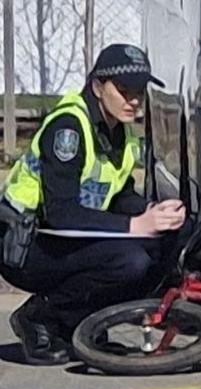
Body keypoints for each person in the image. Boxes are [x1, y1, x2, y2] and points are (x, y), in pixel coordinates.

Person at [0, 44, 186, 365]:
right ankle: (39, 316)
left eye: (140, 92)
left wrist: (154, 212)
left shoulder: (119, 133)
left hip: (61, 238)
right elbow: (61, 213)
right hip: (23, 244)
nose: (134, 100)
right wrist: (135, 225)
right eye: (124, 90)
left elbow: (119, 196)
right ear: (98, 86)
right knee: (128, 261)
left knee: (163, 244)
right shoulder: (68, 129)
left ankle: (84, 324)